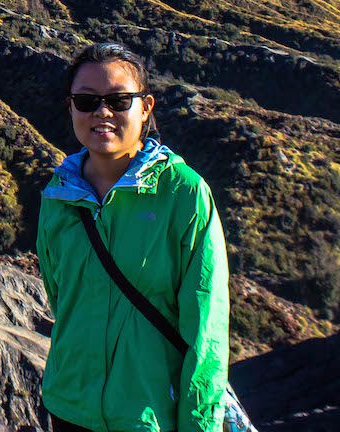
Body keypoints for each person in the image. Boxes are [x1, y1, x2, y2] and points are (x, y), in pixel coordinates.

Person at [36, 42, 229, 432]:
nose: (102, 112)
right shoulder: (58, 196)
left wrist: (200, 424)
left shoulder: (183, 194)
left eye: (119, 100)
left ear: (146, 108)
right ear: (70, 107)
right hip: (70, 409)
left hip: (150, 416)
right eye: (86, 101)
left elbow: (206, 327)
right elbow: (62, 300)